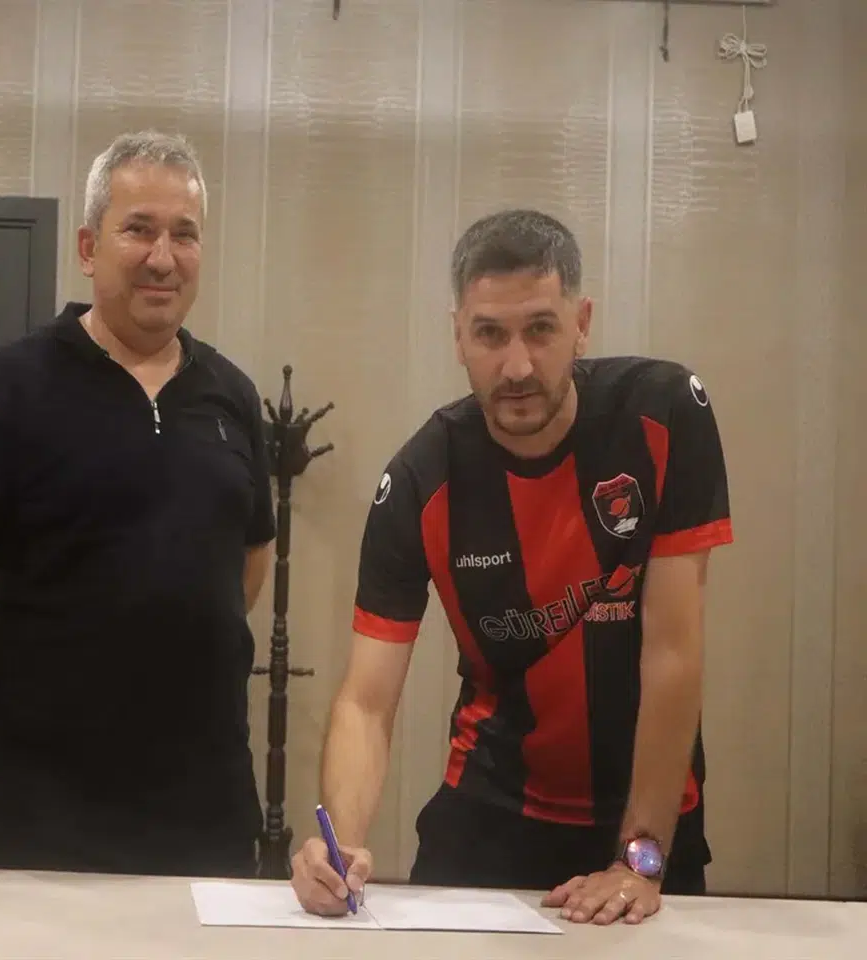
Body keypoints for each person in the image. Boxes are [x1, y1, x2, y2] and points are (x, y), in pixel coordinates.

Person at [290, 209, 733, 926]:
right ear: (458, 336)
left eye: (541, 329)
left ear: (581, 324)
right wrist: (338, 848)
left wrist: (640, 858)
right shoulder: (420, 480)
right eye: (490, 334)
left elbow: (674, 653)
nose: (517, 366)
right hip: (488, 816)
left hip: (646, 821)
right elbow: (366, 701)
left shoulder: (663, 416)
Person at [0, 130, 276, 884]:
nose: (163, 257)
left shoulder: (233, 397)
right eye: (138, 229)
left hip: (206, 810)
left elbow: (246, 564)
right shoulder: (9, 389)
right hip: (45, 813)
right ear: (88, 247)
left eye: (184, 234)